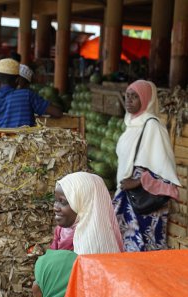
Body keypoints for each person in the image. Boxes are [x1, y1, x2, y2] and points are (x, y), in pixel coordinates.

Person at [112, 79, 181, 252]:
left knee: (144, 250)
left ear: (146, 100)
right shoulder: (131, 124)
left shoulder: (153, 127)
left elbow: (166, 175)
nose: (129, 100)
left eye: (135, 96)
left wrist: (138, 181)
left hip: (145, 201)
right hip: (128, 195)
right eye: (127, 96)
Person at [51, 171, 123, 254]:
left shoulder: (95, 243)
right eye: (56, 200)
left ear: (84, 204)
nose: (55, 207)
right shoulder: (62, 230)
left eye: (63, 202)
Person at [0, 58, 62, 128]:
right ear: (17, 80)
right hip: (25, 145)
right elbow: (57, 113)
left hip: (0, 144)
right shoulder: (26, 95)